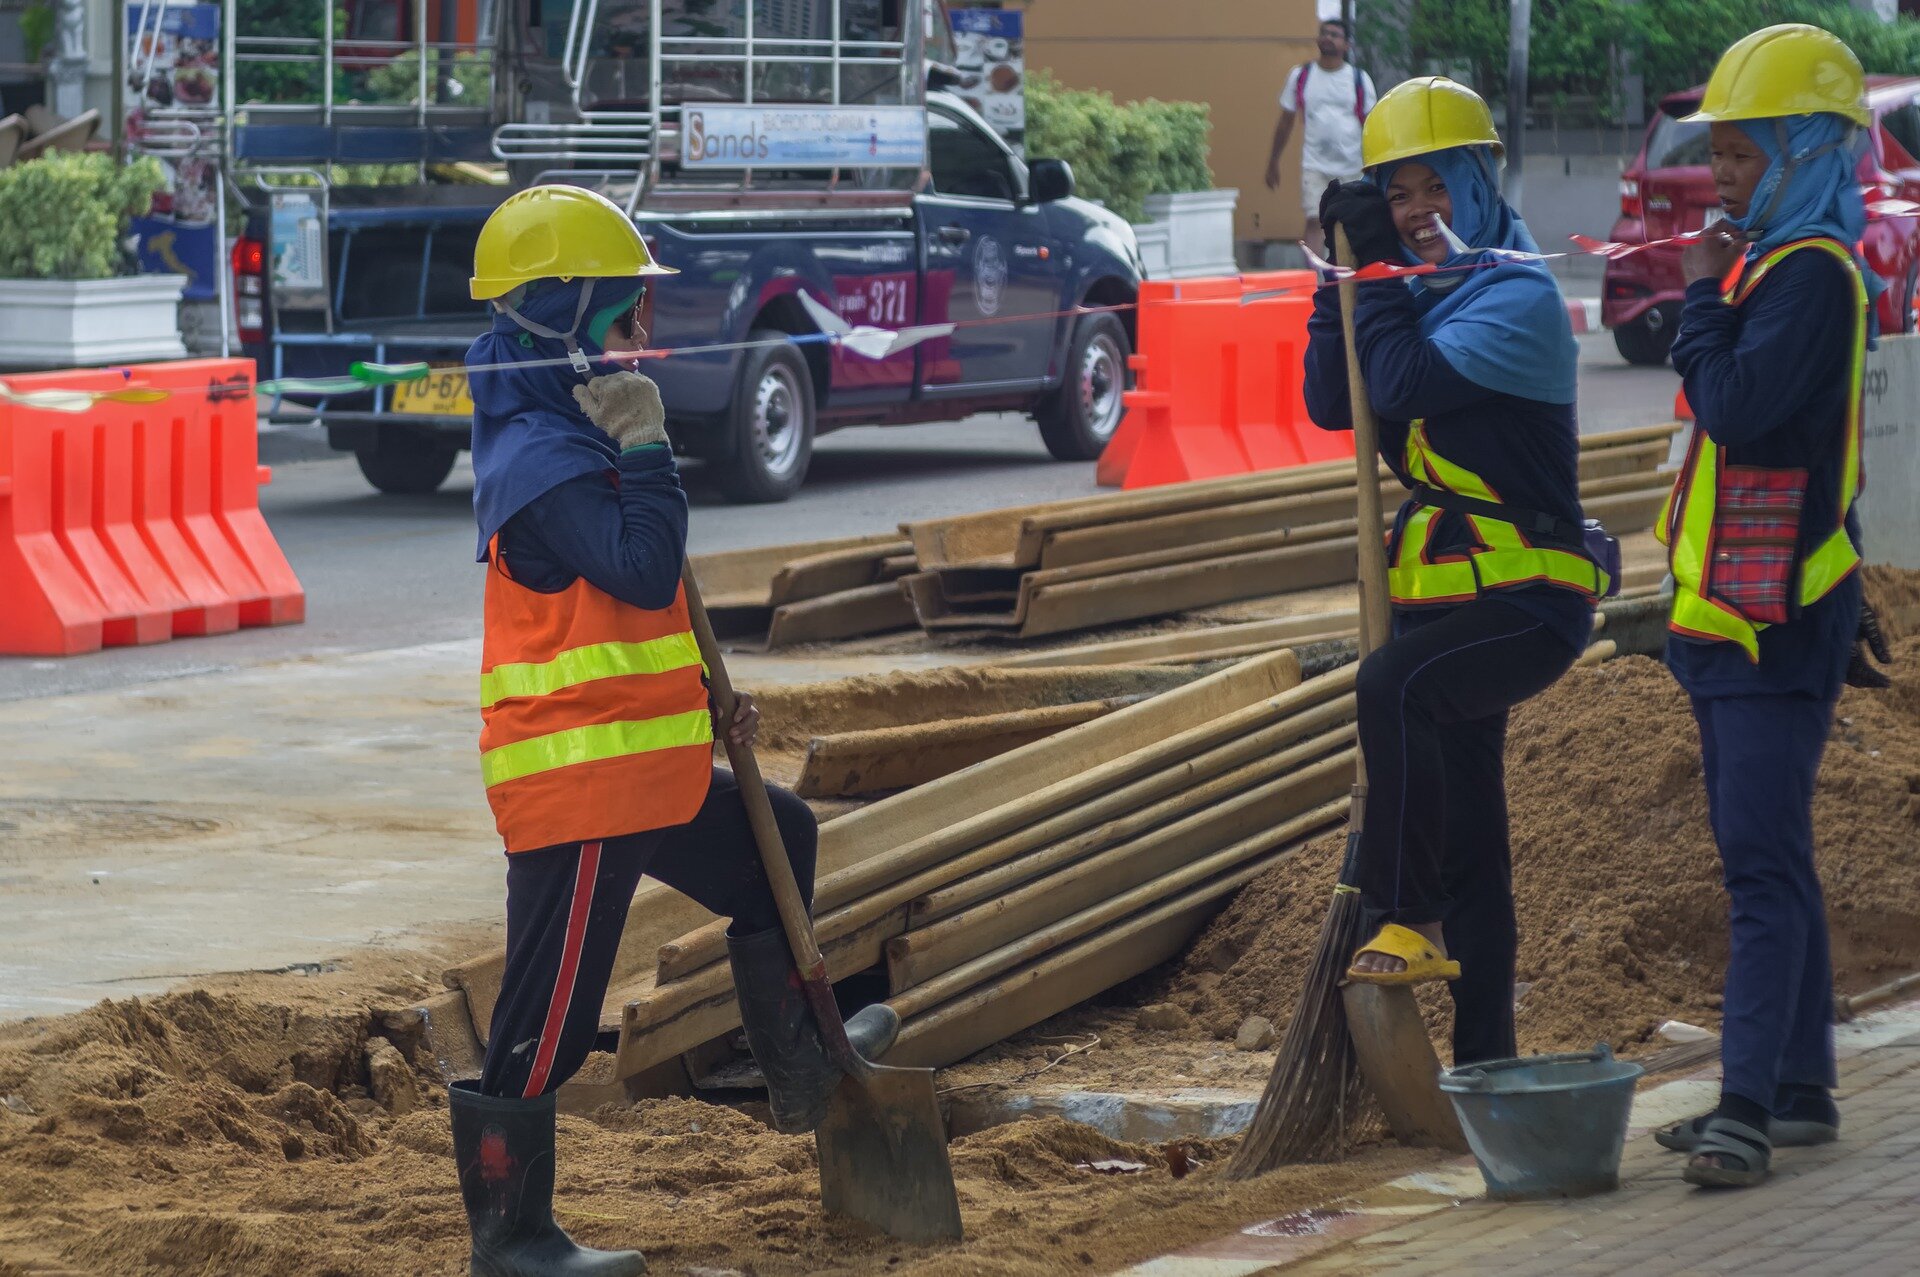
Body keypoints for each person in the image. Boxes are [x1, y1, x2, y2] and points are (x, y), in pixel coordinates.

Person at [450, 185, 899, 1276]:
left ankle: (800, 1067)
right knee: (545, 1018)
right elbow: (643, 562)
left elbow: (627, 612)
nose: (641, 335)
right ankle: (511, 1237)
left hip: (643, 762)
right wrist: (649, 449)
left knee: (776, 840)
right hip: (583, 779)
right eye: (622, 312)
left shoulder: (571, 420)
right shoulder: (541, 461)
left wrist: (703, 702)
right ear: (561, 313)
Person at [1304, 78, 1606, 1069]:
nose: (1421, 211)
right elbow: (1336, 402)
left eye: (1440, 185)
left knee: (1395, 688)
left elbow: (1402, 384)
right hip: (1456, 602)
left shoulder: (1515, 296)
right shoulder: (1417, 289)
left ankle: (1406, 916)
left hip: (1532, 602)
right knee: (1477, 840)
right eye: (1398, 194)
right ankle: (1487, 1062)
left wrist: (1379, 275)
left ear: (1481, 179)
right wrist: (1336, 282)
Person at [1650, 24, 1893, 1190]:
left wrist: (1698, 298)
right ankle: (1799, 1087)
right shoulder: (1778, 266)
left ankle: (1744, 1106)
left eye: (1744, 157)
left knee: (1754, 863)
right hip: (1743, 612)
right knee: (1776, 856)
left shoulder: (1812, 277)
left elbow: (1740, 408)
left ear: (1807, 152)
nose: (1723, 177)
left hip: (1775, 619)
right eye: (1723, 156)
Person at [1266, 17, 1377, 250]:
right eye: (1324, 33)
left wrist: (1375, 162)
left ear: (1347, 45)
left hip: (1352, 166)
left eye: (1335, 35)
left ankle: (1350, 280)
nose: (1327, 38)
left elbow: (1371, 125)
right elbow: (1285, 122)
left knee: (1352, 221)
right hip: (1315, 164)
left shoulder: (1358, 79)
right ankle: (1314, 280)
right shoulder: (1301, 76)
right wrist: (1273, 161)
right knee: (1314, 219)